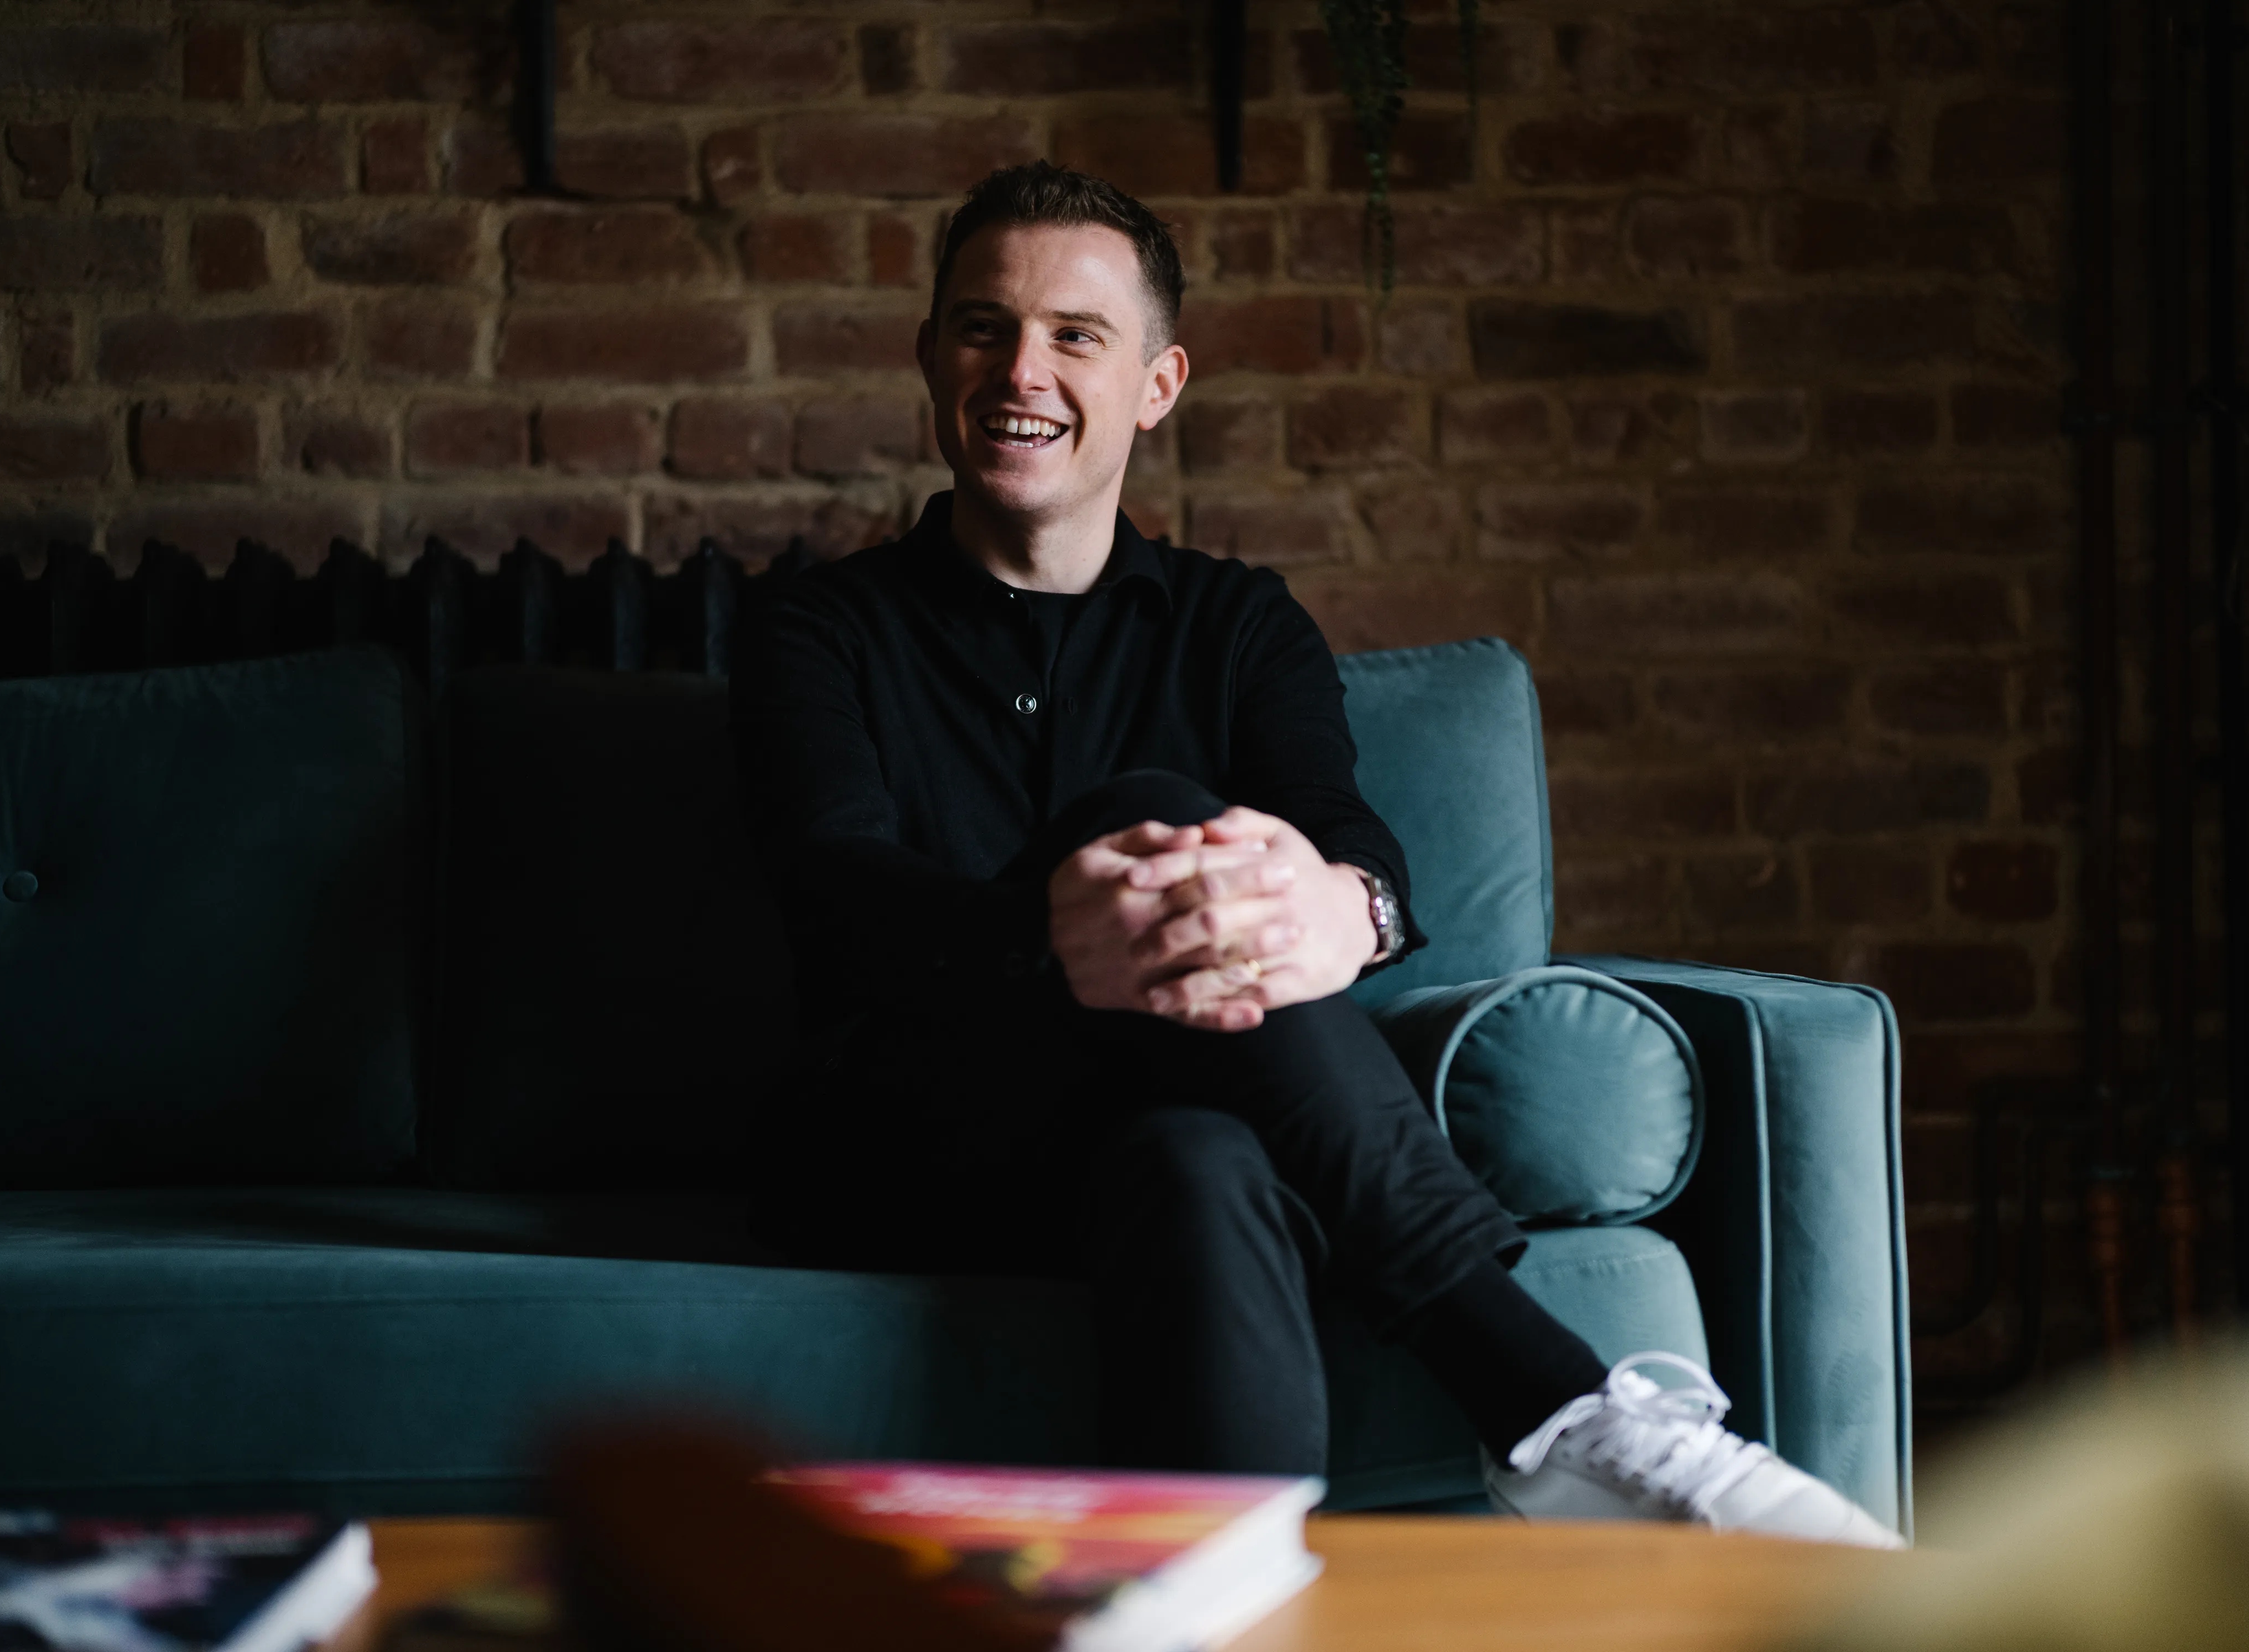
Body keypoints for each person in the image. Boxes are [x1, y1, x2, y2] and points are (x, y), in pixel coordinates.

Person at [729, 161, 1898, 1548]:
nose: (1018, 368)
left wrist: (1355, 911)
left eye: (1073, 336)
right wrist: (1047, 930)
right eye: (982, 327)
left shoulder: (1237, 624)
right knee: (1156, 808)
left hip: (1170, 1139)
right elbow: (831, 887)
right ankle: (1556, 1405)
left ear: (1158, 385)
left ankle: (1219, 1604)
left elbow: (1344, 837)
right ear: (931, 358)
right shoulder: (818, 629)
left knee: (1203, 1162)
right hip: (916, 1143)